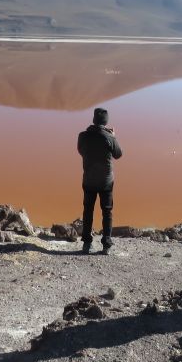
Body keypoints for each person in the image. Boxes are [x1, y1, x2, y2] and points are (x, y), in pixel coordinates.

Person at [77, 107, 123, 254]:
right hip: (106, 181)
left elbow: (81, 151)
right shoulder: (109, 137)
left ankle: (86, 244)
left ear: (93, 120)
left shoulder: (83, 136)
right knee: (107, 211)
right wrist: (113, 136)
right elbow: (118, 154)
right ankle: (106, 245)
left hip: (89, 180)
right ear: (106, 122)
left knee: (88, 211)